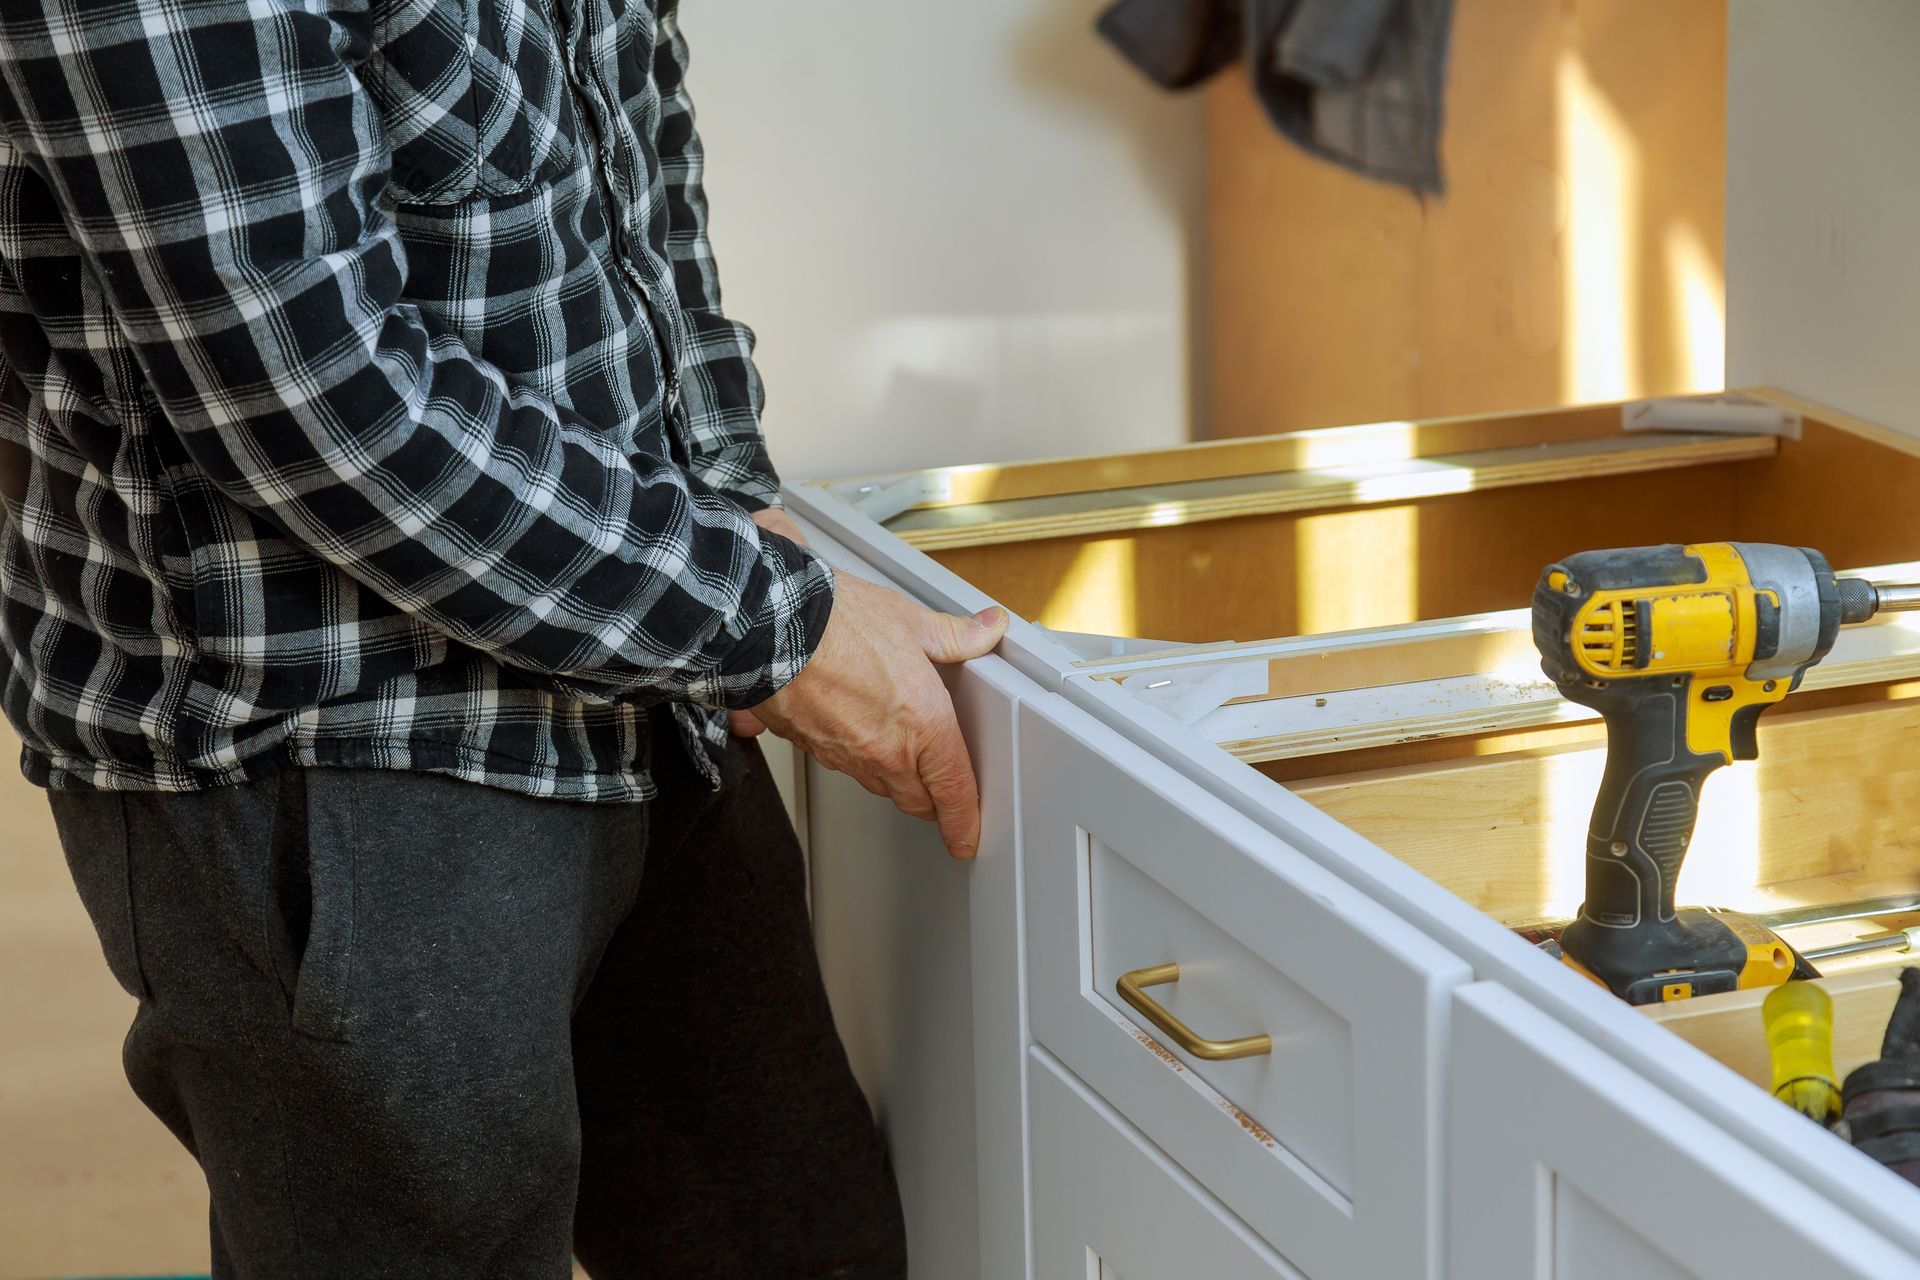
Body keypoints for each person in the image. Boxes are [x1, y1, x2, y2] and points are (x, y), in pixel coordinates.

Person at [0, 1, 1005, 1275]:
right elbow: (316, 402)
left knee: (802, 1240)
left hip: (640, 664)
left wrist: (726, 489)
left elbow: (630, 145)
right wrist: (769, 622)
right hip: (331, 750)